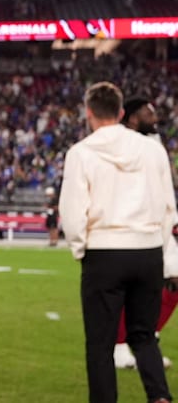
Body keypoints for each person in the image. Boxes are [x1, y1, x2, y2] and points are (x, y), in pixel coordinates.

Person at [60, 82, 177, 402]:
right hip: (147, 250)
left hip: (103, 252)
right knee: (144, 336)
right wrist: (157, 241)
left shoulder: (81, 153)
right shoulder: (152, 150)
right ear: (122, 112)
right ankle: (160, 398)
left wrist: (80, 247)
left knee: (100, 343)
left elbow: (72, 212)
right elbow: (169, 205)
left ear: (88, 113)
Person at [114, 96, 178, 371]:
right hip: (134, 223)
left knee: (172, 281)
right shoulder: (123, 145)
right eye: (147, 113)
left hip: (160, 223)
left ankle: (146, 340)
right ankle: (119, 348)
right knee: (130, 288)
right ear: (131, 118)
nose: (154, 117)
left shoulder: (154, 143)